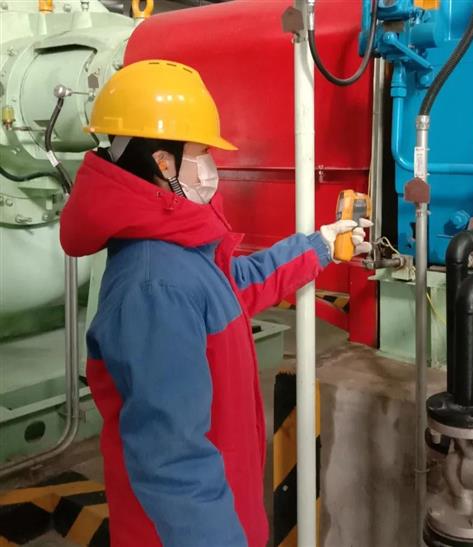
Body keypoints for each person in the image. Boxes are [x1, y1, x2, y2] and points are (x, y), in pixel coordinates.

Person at [59, 59, 371, 547]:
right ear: (163, 163)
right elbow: (173, 462)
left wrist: (318, 247)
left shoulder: (176, 253)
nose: (210, 166)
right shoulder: (154, 285)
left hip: (224, 507)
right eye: (202, 151)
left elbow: (234, 285)